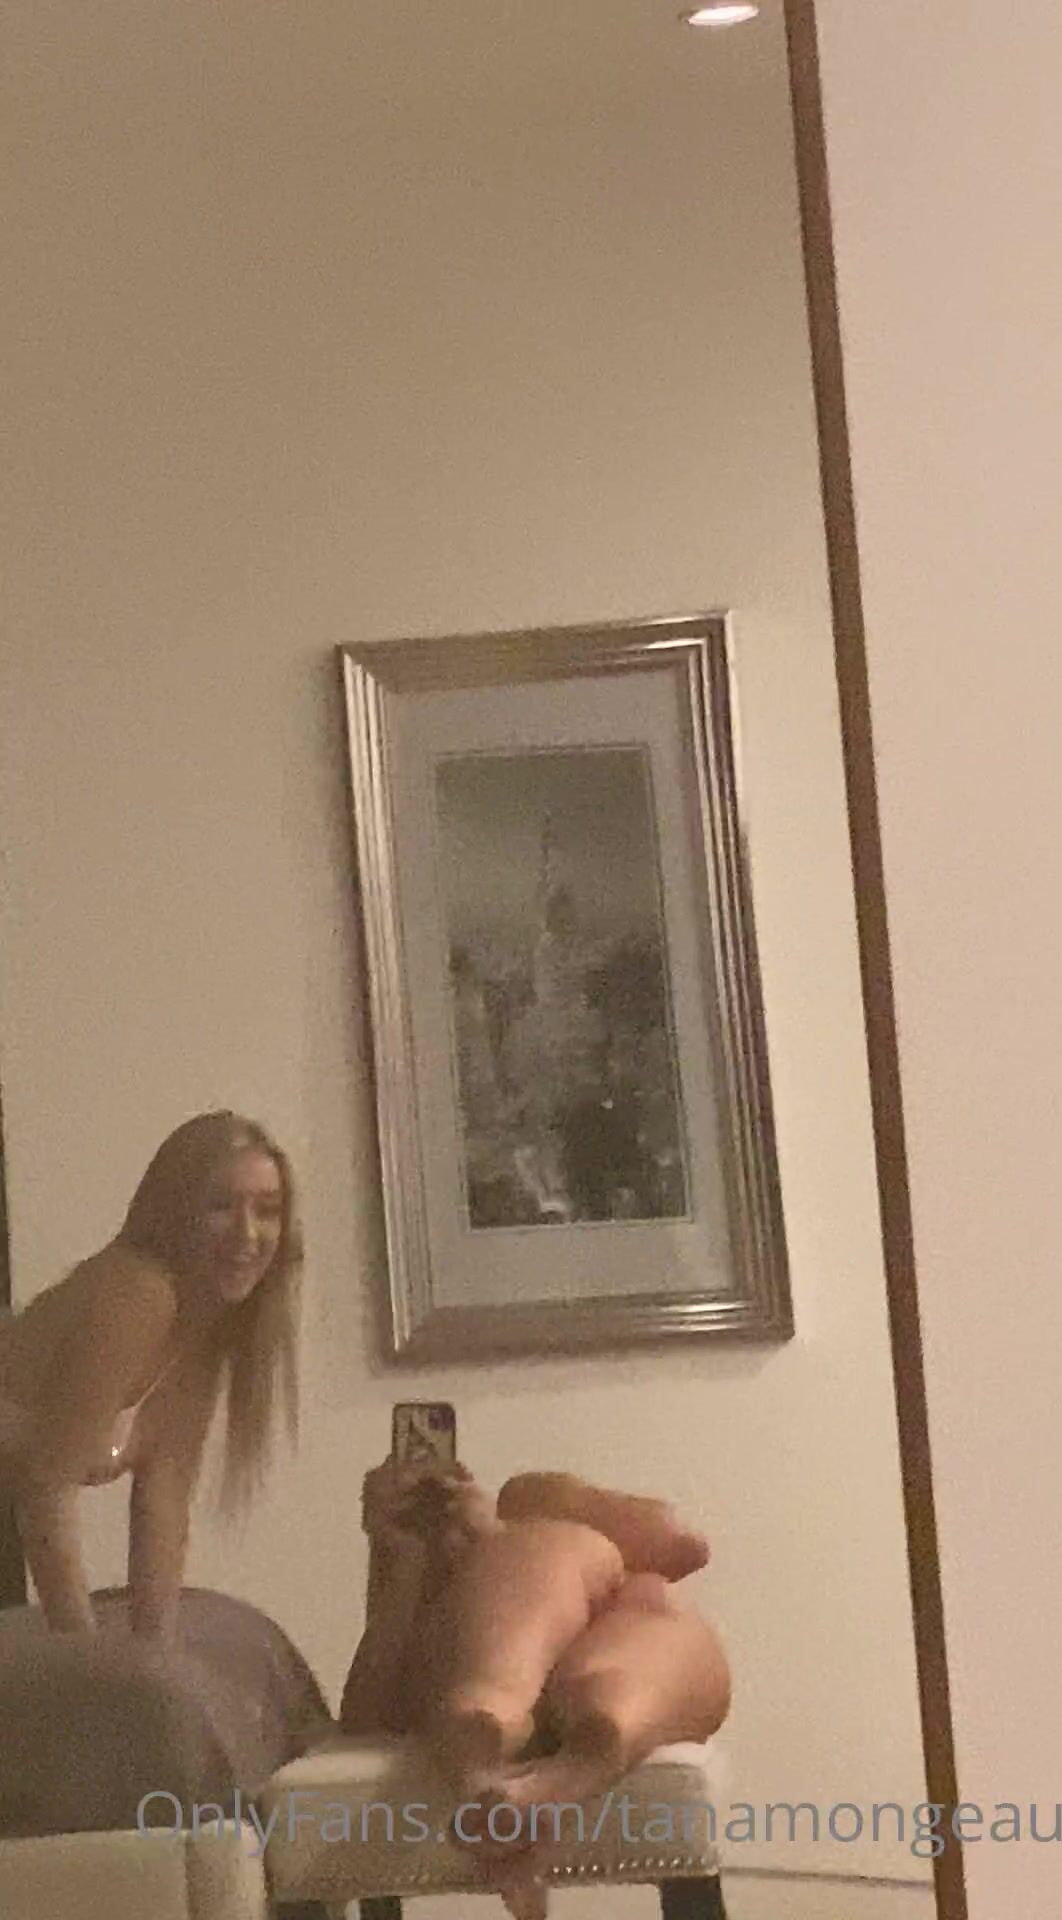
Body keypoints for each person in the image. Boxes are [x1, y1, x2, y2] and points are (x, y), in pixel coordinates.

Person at [341, 1456, 731, 1909]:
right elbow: (366, 1718)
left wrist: (503, 1520)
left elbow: (685, 1546)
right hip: (508, 1658)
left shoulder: (538, 1530)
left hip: (591, 1657)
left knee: (647, 1598)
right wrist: (407, 1557)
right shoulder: (458, 1568)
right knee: (549, 1560)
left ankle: (522, 1783)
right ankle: (548, 1772)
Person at [0, 1110, 301, 1642]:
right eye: (221, 1206)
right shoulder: (138, 1292)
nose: (248, 1233)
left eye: (268, 1210)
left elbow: (162, 1503)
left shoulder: (202, 1326)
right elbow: (46, 1488)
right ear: (175, 1211)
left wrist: (156, 1660)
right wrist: (87, 1659)